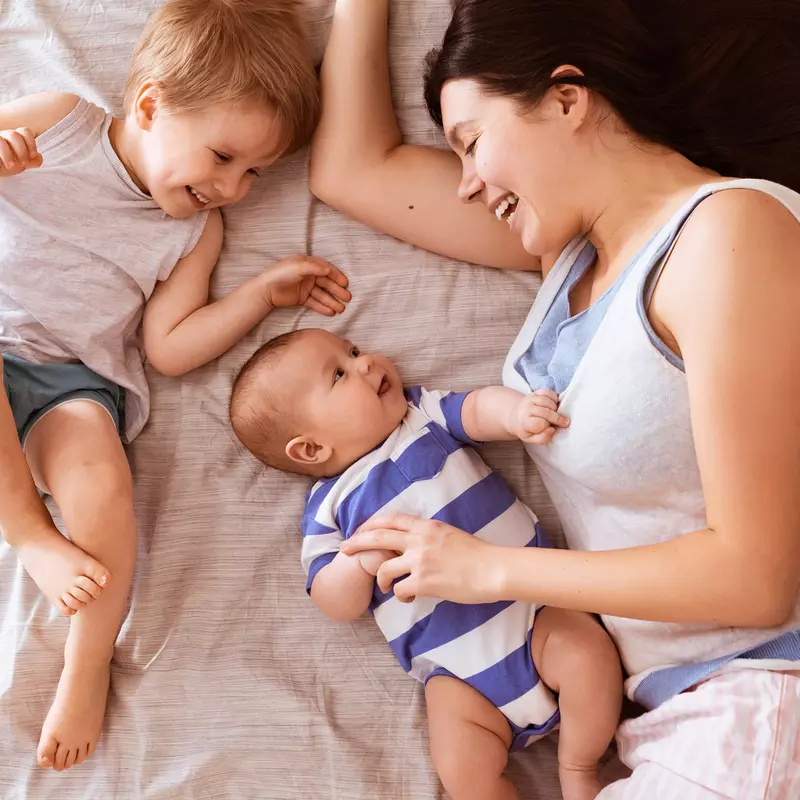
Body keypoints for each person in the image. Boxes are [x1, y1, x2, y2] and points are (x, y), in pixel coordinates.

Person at [309, 0, 800, 796]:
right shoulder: (567, 258)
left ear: (567, 99)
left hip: (759, 696)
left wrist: (491, 570)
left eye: (471, 144)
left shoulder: (728, 232)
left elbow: (756, 576)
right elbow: (351, 170)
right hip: (676, 715)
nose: (467, 185)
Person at [0, 0, 350, 773]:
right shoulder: (61, 124)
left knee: (103, 488)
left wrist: (260, 295)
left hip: (69, 383)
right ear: (151, 105)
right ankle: (29, 535)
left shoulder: (194, 231)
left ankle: (87, 663)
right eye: (224, 156)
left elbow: (168, 348)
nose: (235, 187)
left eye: (256, 172)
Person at [229, 327, 623, 800]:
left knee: (589, 658)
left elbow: (476, 409)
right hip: (457, 675)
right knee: (460, 768)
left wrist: (515, 413)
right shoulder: (329, 510)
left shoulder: (421, 416)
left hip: (534, 612)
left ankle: (578, 768)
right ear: (311, 449)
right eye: (339, 373)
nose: (367, 362)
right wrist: (359, 563)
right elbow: (333, 601)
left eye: (353, 351)